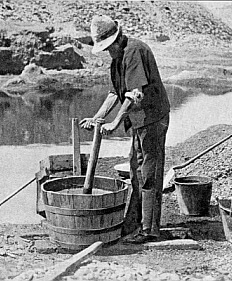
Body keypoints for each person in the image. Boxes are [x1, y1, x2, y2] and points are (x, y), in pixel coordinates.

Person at [80, 15, 170, 243]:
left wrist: (115, 122)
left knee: (149, 173)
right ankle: (134, 222)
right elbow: (115, 93)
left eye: (109, 47)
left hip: (152, 118)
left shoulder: (134, 52)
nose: (108, 52)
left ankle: (149, 230)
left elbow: (135, 95)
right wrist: (97, 117)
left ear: (117, 39)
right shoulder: (118, 59)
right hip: (139, 120)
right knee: (135, 169)